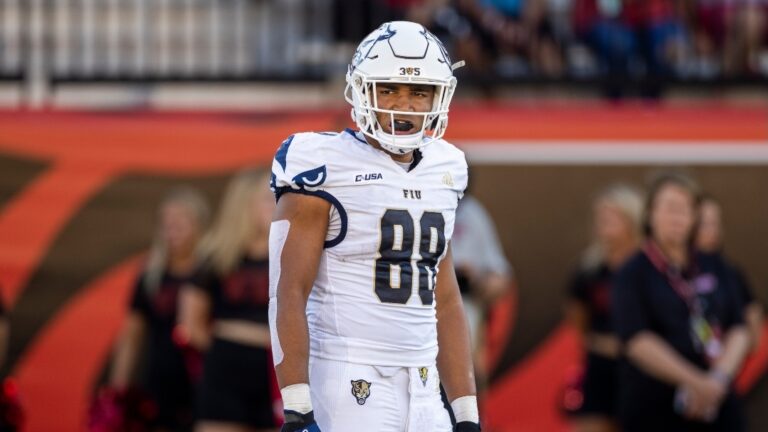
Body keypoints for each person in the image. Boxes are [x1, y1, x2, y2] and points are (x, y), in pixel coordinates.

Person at [268, 21, 480, 432]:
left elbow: (446, 298)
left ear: (440, 95)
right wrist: (296, 405)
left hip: (424, 382)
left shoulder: (446, 167)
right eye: (389, 89)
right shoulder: (323, 164)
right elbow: (286, 291)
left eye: (419, 92)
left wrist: (467, 412)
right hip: (347, 377)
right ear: (362, 90)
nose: (405, 104)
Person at [613, 172, 750, 432]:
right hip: (656, 405)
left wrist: (717, 381)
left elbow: (739, 327)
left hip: (717, 402)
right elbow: (636, 339)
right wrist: (695, 382)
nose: (678, 217)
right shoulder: (633, 272)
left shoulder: (714, 264)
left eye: (686, 209)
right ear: (650, 214)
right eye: (670, 208)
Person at [178, 168, 279, 432]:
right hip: (226, 366)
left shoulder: (292, 255)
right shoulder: (216, 256)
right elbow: (190, 322)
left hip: (279, 369)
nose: (277, 205)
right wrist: (224, 354)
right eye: (268, 199)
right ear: (244, 205)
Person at [107, 187, 210, 432]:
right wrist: (116, 393)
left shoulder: (213, 273)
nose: (172, 231)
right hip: (159, 380)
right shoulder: (151, 275)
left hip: (204, 380)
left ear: (200, 226)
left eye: (181, 223)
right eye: (167, 224)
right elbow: (132, 335)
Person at [564, 184, 643, 432]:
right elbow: (577, 314)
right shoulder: (590, 268)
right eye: (600, 217)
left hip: (643, 371)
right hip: (599, 369)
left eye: (612, 216)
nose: (603, 223)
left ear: (632, 220)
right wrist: (596, 341)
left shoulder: (649, 268)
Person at [452, 189, 514, 388]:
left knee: (468, 370)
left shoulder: (472, 213)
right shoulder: (414, 203)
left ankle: (471, 418)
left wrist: (477, 280)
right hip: (418, 304)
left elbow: (500, 275)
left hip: (464, 301)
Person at [696, 195, 764, 352]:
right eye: (705, 224)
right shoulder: (678, 270)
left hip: (732, 354)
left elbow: (752, 311)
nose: (713, 231)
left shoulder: (730, 271)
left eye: (716, 223)